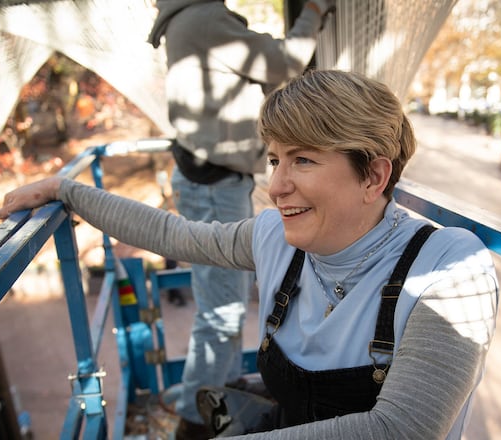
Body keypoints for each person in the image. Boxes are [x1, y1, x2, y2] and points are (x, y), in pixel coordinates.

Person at [0, 69, 499, 439]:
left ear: (373, 175)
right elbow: (176, 235)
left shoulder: (451, 271)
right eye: (275, 159)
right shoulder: (275, 237)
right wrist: (68, 191)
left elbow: (401, 430)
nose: (276, 186)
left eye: (302, 159)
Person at [145, 1, 335, 437]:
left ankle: (220, 398)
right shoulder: (206, 17)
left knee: (222, 306)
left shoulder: (188, 18)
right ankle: (196, 422)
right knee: (222, 310)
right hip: (215, 182)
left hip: (210, 178)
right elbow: (284, 62)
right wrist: (313, 12)